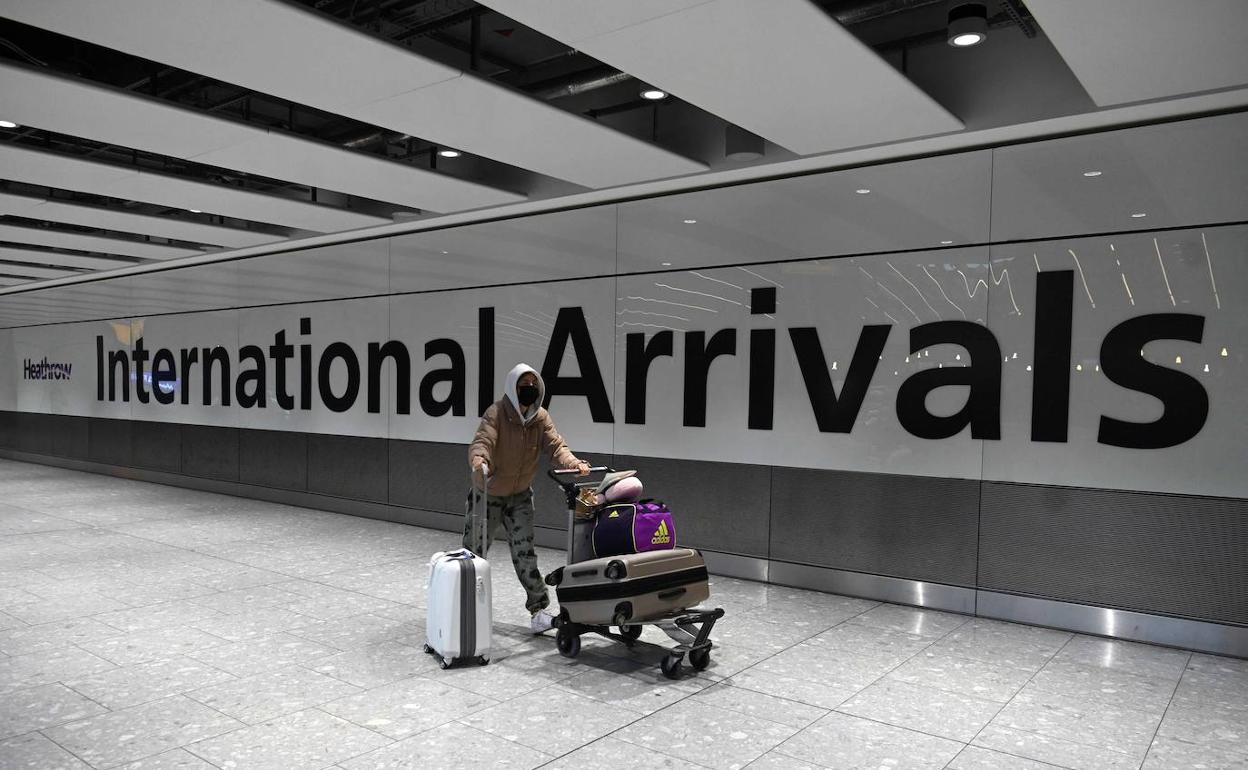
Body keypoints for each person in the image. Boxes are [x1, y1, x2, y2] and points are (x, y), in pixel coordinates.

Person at [467, 363, 590, 634]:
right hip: (488, 495)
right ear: (513, 388)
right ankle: (464, 606)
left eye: (534, 386)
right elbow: (483, 441)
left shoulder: (540, 418)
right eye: (525, 386)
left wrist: (573, 463)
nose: (530, 390)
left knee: (525, 554)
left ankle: (538, 611)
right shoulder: (497, 413)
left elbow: (556, 446)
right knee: (473, 554)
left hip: (520, 496)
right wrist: (479, 460)